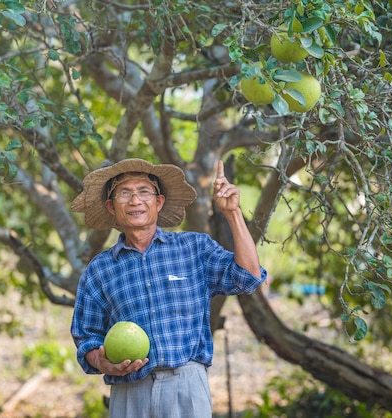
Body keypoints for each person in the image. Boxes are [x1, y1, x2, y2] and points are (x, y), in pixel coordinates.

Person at [70, 158, 267, 417]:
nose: (135, 201)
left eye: (144, 192)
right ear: (111, 206)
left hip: (186, 385)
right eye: (124, 193)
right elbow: (86, 337)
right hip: (130, 392)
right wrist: (102, 361)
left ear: (158, 202)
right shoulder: (101, 269)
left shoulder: (193, 248)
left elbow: (248, 276)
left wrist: (232, 213)